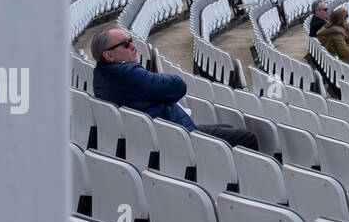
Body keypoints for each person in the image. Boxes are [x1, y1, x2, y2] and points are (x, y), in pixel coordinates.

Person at [91, 28, 257, 149]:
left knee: (226, 128)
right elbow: (177, 87)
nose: (133, 47)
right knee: (246, 138)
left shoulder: (101, 74)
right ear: (109, 55)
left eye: (131, 41)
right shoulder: (128, 74)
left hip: (161, 133)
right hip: (176, 139)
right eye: (126, 44)